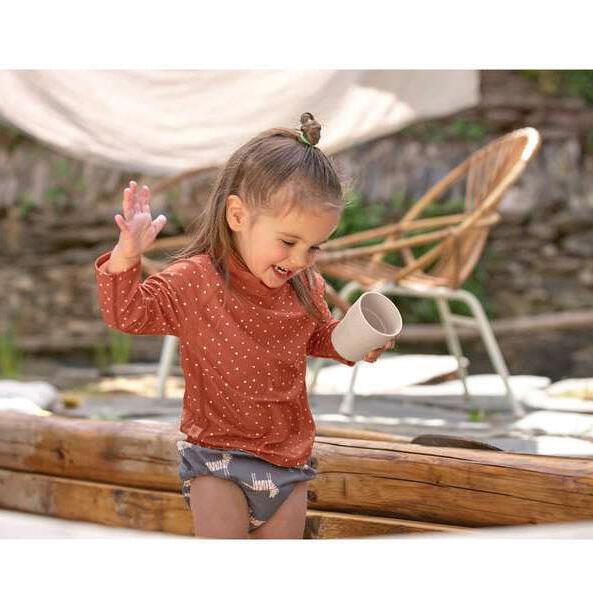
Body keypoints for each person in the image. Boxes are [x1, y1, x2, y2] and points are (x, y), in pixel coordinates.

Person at [94, 112, 394, 539]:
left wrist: (356, 340)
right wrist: (127, 256)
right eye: (288, 242)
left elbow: (317, 337)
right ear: (237, 215)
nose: (300, 259)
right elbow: (127, 313)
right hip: (218, 459)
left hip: (288, 463)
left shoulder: (304, 285)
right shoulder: (197, 280)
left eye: (314, 247)